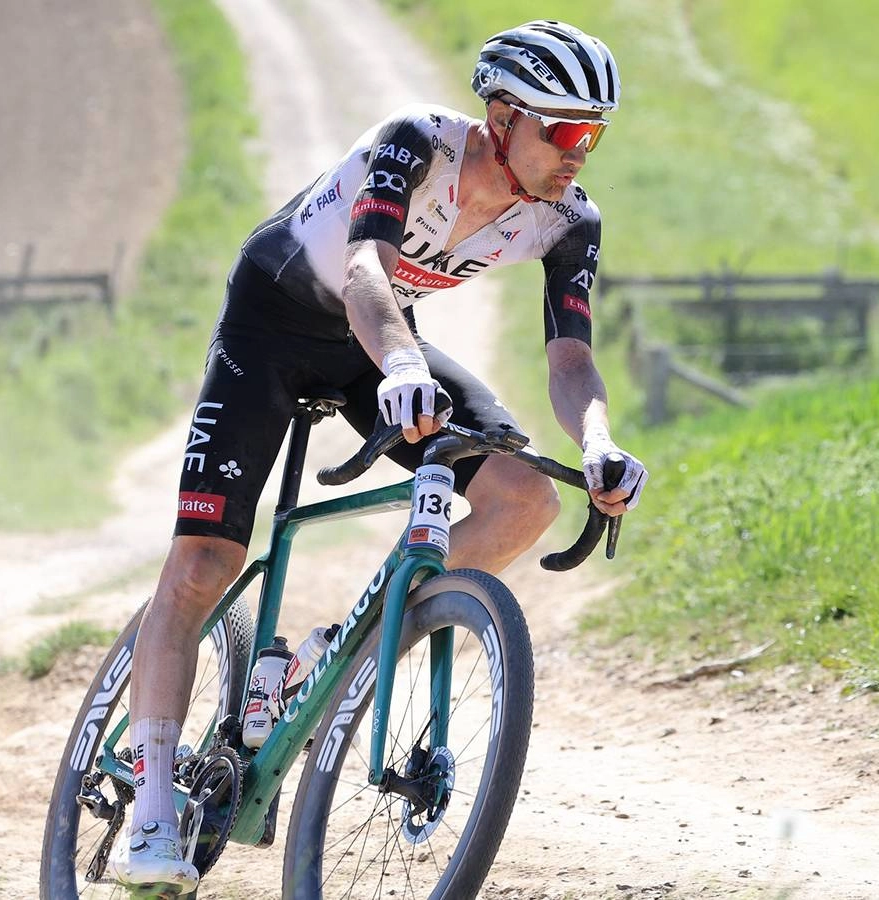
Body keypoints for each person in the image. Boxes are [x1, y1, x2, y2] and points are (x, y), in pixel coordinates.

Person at [113, 20, 648, 893]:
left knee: (525, 500)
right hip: (276, 324)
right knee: (204, 562)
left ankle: (344, 653)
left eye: (594, 133)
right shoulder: (417, 144)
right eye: (564, 130)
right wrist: (401, 366)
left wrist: (598, 442)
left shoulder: (568, 219)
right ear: (503, 118)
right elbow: (367, 265)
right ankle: (151, 808)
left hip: (377, 341)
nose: (579, 153)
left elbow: (570, 360)